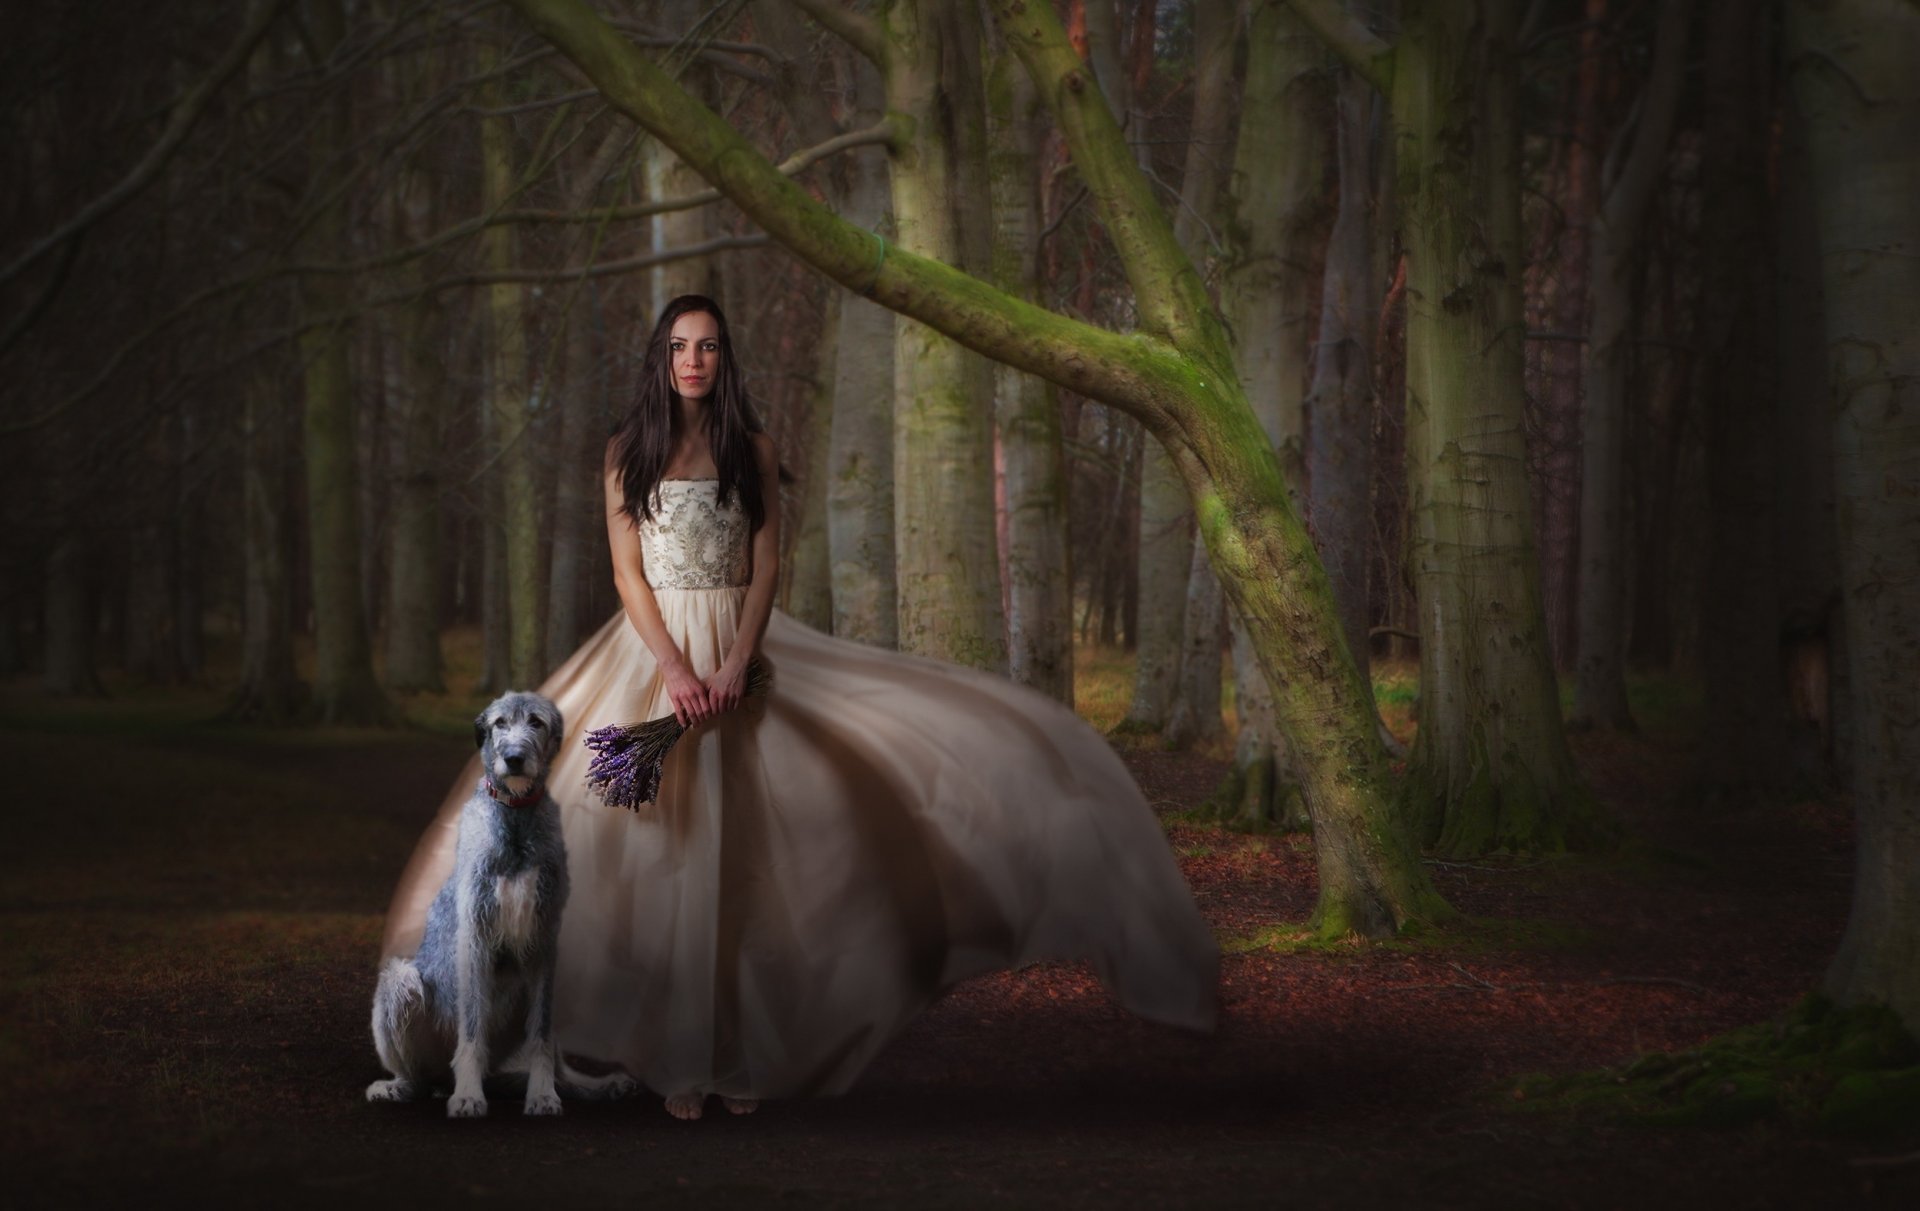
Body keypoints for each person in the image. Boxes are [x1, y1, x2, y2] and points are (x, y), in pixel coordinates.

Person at [379, 294, 1217, 1120]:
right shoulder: (627, 452)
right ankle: (674, 1059)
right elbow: (628, 574)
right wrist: (672, 665)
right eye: (680, 346)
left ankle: (741, 1055)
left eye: (708, 346)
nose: (694, 361)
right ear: (661, 359)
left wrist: (740, 659)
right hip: (653, 658)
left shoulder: (752, 447)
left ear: (724, 358)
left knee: (738, 864)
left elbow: (769, 557)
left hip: (742, 654)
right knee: (663, 863)